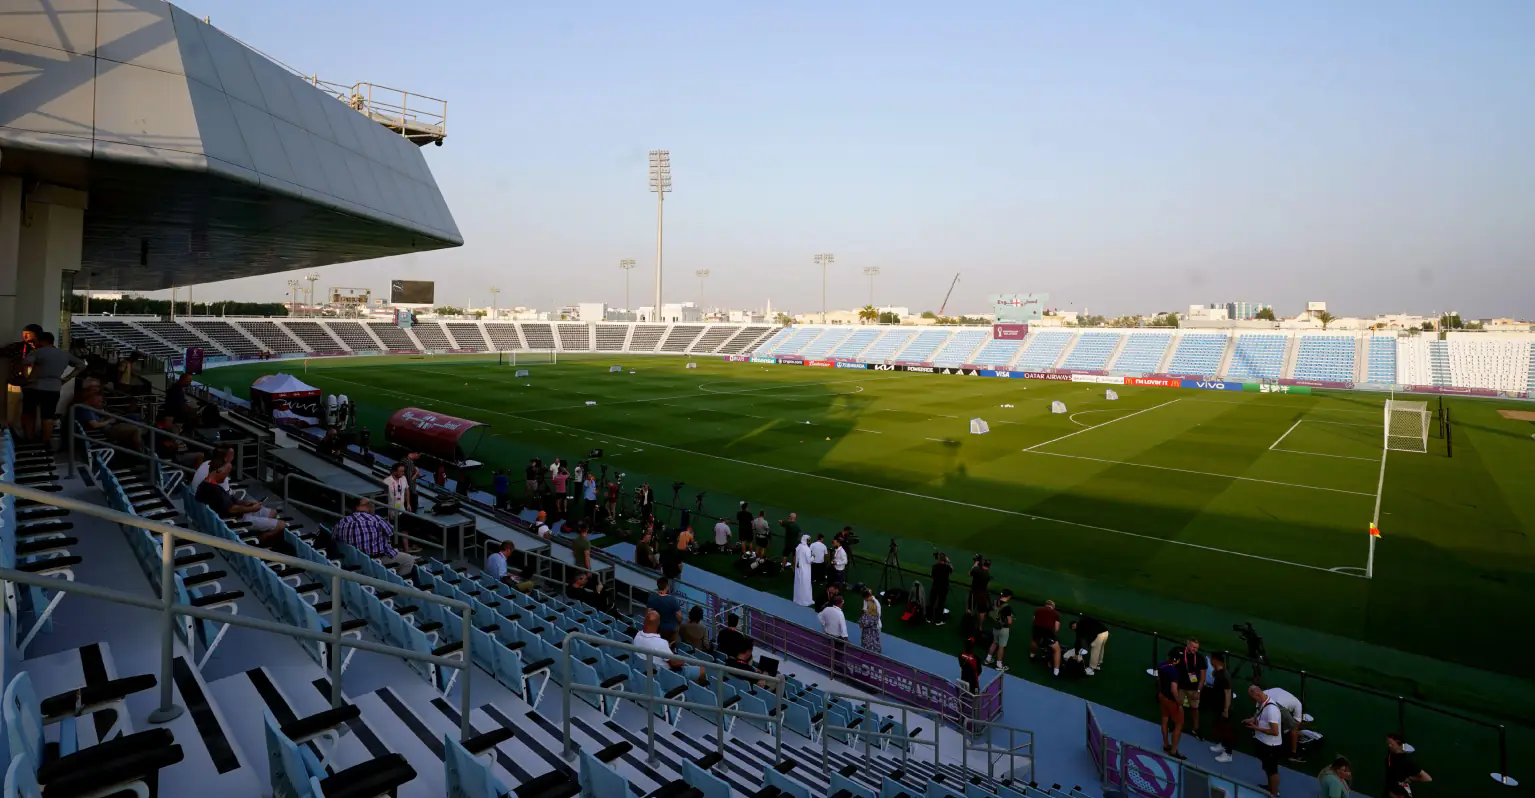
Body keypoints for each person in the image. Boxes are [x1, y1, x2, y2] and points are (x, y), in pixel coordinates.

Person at [196, 464, 290, 555]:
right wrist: (251, 509)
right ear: (219, 470)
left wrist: (247, 504)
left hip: (239, 514)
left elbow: (232, 501)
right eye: (226, 474)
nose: (227, 477)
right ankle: (260, 543)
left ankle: (264, 537)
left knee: (272, 513)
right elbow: (231, 509)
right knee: (281, 525)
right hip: (237, 520)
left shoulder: (207, 485)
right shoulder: (214, 490)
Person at [20, 332, 83, 444]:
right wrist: (67, 378)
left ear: (42, 341)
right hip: (53, 388)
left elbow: (25, 362)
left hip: (34, 386)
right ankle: (46, 440)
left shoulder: (38, 352)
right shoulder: (64, 354)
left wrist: (26, 377)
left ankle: (29, 438)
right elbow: (81, 365)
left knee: (29, 413)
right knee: (48, 415)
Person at [335, 497, 417, 575]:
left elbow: (333, 537)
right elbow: (390, 531)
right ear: (357, 507)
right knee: (409, 559)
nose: (370, 506)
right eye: (367, 505)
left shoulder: (342, 522)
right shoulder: (375, 519)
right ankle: (397, 582)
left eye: (369, 504)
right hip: (375, 560)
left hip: (353, 560)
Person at [1245, 685, 1284, 796]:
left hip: (1270, 746)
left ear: (1258, 694)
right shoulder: (1262, 702)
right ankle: (1270, 787)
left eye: (1253, 698)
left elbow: (1275, 731)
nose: (1253, 701)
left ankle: (1274, 793)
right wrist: (1252, 720)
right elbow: (1259, 715)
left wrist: (1256, 728)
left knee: (1272, 771)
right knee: (1267, 768)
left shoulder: (1272, 710)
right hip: (1263, 743)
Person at [73, 392, 142, 450]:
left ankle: (140, 447)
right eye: (99, 401)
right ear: (92, 399)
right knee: (136, 430)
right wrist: (108, 421)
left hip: (109, 427)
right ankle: (139, 452)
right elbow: (95, 425)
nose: (100, 403)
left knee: (133, 418)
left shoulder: (89, 408)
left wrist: (103, 413)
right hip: (109, 431)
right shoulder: (84, 409)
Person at [1205, 652, 1235, 763]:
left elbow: (1228, 693)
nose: (1211, 662)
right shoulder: (1218, 673)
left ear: (1216, 660)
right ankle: (1223, 745)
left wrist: (1226, 709)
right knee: (1220, 727)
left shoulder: (1224, 676)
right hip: (1218, 705)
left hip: (1224, 707)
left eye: (1212, 659)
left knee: (1226, 729)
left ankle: (1228, 753)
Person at [1157, 649, 1186, 760]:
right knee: (1179, 724)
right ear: (1177, 660)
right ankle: (1173, 751)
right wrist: (1179, 702)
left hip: (1162, 696)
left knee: (1165, 718)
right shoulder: (1175, 671)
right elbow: (1174, 690)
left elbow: (1159, 680)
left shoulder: (1162, 665)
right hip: (1172, 701)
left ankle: (1166, 744)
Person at [1177, 639, 1207, 740]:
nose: (1195, 649)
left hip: (1193, 688)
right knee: (1178, 705)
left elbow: (1203, 677)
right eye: (1193, 647)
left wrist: (1198, 691)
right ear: (1188, 645)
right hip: (1180, 686)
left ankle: (1196, 728)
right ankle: (1177, 724)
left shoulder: (1200, 658)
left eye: (1197, 648)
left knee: (1194, 708)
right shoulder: (1180, 654)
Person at [646, 578, 683, 646]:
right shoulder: (672, 600)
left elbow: (647, 615)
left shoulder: (652, 597)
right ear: (667, 586)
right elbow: (680, 618)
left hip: (657, 629)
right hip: (668, 630)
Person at [1029, 599, 1062, 676]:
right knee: (1057, 650)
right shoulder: (1056, 613)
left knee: (1035, 641)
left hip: (1036, 629)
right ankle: (1056, 671)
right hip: (1047, 632)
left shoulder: (1037, 610)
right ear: (1053, 606)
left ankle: (1032, 654)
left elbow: (1034, 620)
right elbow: (1056, 629)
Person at [985, 589, 1014, 672]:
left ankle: (988, 659)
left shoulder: (995, 602)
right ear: (1008, 596)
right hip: (1003, 628)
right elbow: (1009, 621)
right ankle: (999, 664)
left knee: (994, 642)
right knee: (1001, 646)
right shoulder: (1007, 607)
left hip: (995, 626)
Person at [928, 552, 953, 625]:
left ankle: (929, 618)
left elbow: (932, 575)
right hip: (943, 587)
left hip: (935, 586)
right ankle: (938, 620)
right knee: (940, 603)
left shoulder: (934, 566)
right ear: (945, 560)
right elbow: (952, 569)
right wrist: (949, 561)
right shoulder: (947, 567)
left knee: (932, 602)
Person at [858, 587, 882, 654]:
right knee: (866, 642)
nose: (865, 600)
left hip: (874, 626)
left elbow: (877, 616)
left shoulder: (876, 603)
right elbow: (864, 611)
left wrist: (865, 621)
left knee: (874, 643)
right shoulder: (865, 600)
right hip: (867, 625)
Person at [792, 535, 813, 606]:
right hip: (805, 569)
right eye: (808, 540)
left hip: (798, 568)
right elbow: (809, 560)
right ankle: (805, 600)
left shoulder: (799, 547)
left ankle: (798, 599)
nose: (809, 542)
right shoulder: (807, 549)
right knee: (805, 584)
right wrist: (814, 556)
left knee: (798, 583)